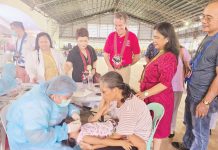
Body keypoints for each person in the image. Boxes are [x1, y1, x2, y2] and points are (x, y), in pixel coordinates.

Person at [172, 1, 218, 150]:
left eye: (209, 18)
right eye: (203, 16)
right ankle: (186, 146)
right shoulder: (208, 36)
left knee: (200, 133)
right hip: (194, 92)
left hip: (203, 98)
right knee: (189, 124)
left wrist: (205, 103)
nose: (204, 21)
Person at [80, 71, 152, 150]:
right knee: (86, 138)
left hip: (133, 141)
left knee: (89, 142)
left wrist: (94, 145)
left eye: (104, 92)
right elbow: (100, 115)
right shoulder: (117, 97)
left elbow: (117, 137)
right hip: (122, 133)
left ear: (115, 90)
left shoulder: (129, 108)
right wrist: (104, 103)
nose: (102, 95)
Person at [6, 76, 81, 150]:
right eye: (67, 98)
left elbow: (62, 105)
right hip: (26, 139)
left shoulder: (53, 93)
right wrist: (66, 129)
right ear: (54, 96)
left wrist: (73, 112)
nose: (69, 100)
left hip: (43, 133)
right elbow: (37, 137)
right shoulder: (36, 106)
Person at [136, 22, 179, 150]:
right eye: (153, 37)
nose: (154, 40)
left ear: (167, 39)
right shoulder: (161, 52)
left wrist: (145, 93)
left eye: (157, 37)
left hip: (159, 99)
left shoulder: (169, 57)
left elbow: (165, 83)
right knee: (150, 129)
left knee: (157, 133)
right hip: (152, 97)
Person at [103, 12, 140, 84]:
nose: (118, 28)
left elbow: (137, 56)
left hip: (125, 70)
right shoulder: (111, 36)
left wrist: (127, 65)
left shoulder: (132, 37)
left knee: (122, 92)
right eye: (116, 25)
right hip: (112, 69)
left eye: (120, 25)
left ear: (126, 24)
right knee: (111, 90)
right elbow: (105, 54)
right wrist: (110, 67)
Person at [169, 46, 191, 138]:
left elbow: (189, 66)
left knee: (173, 109)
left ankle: (171, 129)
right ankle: (161, 127)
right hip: (163, 86)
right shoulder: (163, 49)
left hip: (177, 86)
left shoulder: (182, 50)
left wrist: (188, 71)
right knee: (163, 108)